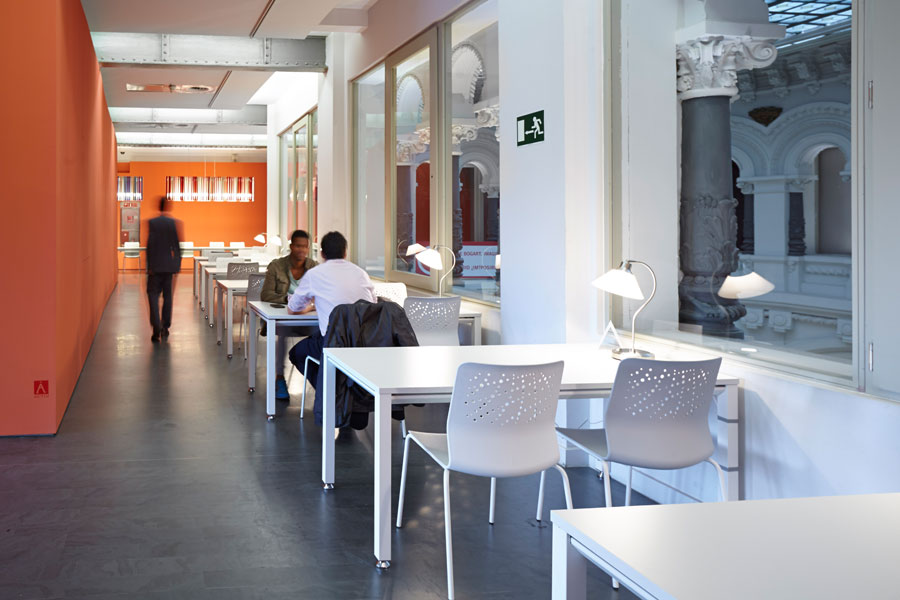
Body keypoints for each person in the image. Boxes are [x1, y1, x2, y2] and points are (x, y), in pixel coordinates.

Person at [287, 231, 375, 406]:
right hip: (365, 343)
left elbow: (292, 308)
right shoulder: (361, 273)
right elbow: (373, 304)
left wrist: (311, 306)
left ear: (322, 253)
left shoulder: (315, 274)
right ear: (345, 252)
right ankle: (341, 392)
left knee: (297, 353)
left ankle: (331, 395)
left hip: (334, 343)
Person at [260, 229, 317, 400]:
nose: (301, 250)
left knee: (324, 332)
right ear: (291, 247)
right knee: (283, 333)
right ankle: (279, 377)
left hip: (308, 317)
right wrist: (287, 299)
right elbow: (266, 295)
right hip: (284, 318)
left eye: (305, 247)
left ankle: (320, 379)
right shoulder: (276, 266)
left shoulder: (314, 267)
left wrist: (310, 305)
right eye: (298, 246)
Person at [145, 196, 182, 342]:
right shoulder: (172, 223)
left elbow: (150, 245)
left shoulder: (152, 222)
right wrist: (177, 266)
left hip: (155, 268)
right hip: (168, 268)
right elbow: (177, 247)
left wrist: (149, 266)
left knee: (153, 296)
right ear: (167, 207)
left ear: (158, 206)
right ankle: (165, 327)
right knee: (168, 297)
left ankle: (156, 327)